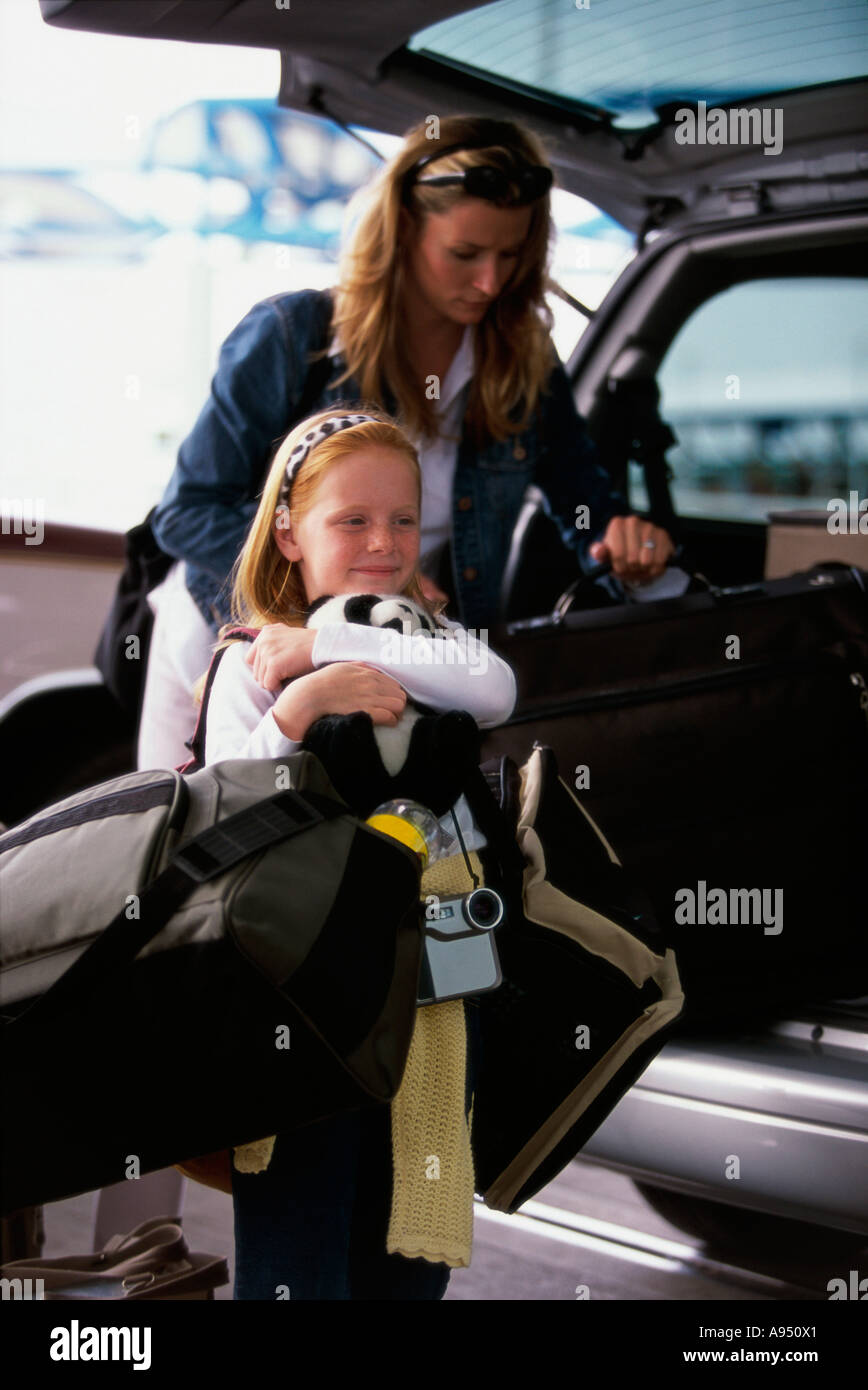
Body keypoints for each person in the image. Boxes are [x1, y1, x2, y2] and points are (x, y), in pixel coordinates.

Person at [139, 112, 676, 772]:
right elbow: (187, 512)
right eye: (465, 254)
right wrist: (304, 625)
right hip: (230, 640)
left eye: (511, 256)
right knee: (209, 837)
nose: (490, 282)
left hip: (396, 647)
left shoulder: (528, 364)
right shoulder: (290, 334)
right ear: (401, 230)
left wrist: (627, 549)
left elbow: (585, 509)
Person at [205, 405, 516, 1300]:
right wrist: (302, 701)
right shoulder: (249, 661)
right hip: (302, 1004)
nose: (383, 541)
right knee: (299, 1251)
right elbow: (229, 812)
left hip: (435, 994)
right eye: (352, 520)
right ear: (289, 534)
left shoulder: (428, 646)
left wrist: (332, 638)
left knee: (406, 1263)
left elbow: (494, 686)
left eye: (403, 519)